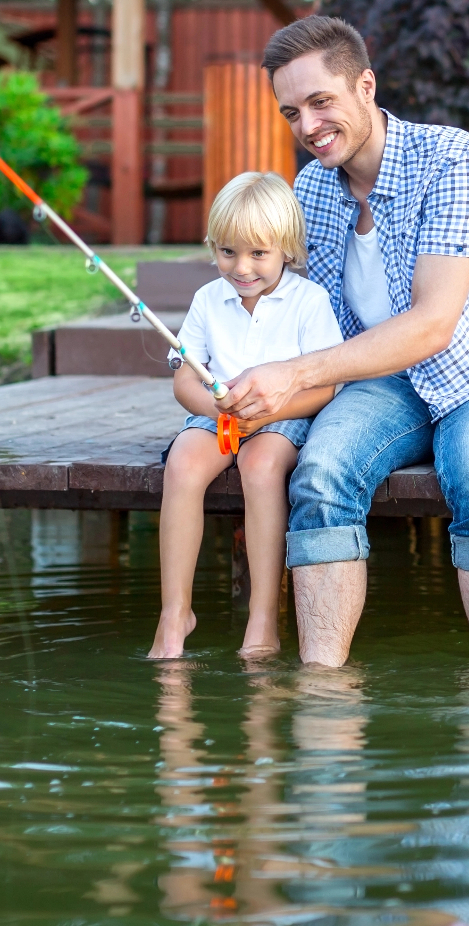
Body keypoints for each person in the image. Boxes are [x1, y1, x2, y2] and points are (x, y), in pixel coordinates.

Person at [219, 16, 469, 668]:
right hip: (383, 384)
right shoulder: (312, 189)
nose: (308, 124)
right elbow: (291, 309)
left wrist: (292, 374)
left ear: (365, 85)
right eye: (291, 111)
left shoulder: (455, 163)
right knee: (320, 474)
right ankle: (323, 700)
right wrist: (219, 364)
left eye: (321, 101)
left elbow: (434, 324)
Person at [150, 171, 342, 660]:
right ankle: (175, 614)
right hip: (219, 417)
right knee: (183, 465)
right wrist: (214, 408)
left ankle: (262, 617)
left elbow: (326, 386)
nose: (242, 267)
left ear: (286, 249)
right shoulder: (206, 300)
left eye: (258, 253)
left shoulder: (308, 301)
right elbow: (184, 379)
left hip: (284, 417)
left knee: (260, 468)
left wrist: (272, 409)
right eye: (228, 251)